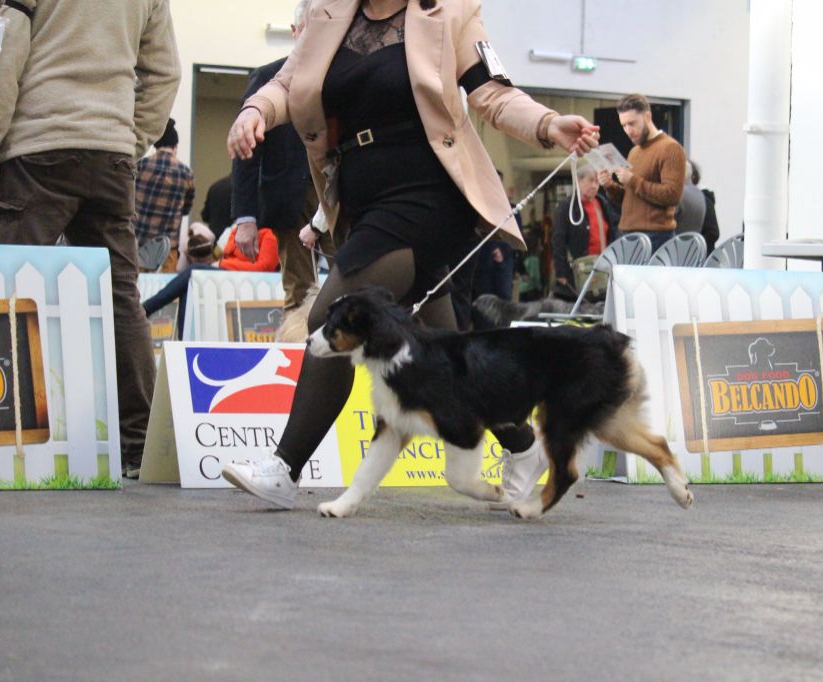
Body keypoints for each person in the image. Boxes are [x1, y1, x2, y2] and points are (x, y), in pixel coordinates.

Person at [222, 0, 599, 510]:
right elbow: (287, 84)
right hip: (360, 200)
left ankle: (284, 468)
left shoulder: (451, 13)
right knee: (443, 353)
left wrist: (548, 124)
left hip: (427, 195)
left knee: (333, 315)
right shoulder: (329, 13)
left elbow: (492, 93)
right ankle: (523, 446)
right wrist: (254, 111)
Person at [0, 0, 180, 479]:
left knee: (7, 293)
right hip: (111, 158)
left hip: (37, 150)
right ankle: (138, 447)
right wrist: (128, 140)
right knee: (121, 298)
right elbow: (166, 73)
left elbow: (2, 57)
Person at [231, 0, 335, 311]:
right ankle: (297, 341)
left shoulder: (339, 75)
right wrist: (245, 218)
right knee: (299, 291)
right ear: (294, 31)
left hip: (335, 195)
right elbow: (246, 153)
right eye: (306, 30)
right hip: (289, 201)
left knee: (351, 283)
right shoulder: (267, 77)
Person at [142, 225, 279, 338]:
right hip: (227, 279)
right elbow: (224, 254)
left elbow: (263, 268)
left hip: (246, 283)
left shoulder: (270, 235)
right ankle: (183, 340)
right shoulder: (236, 230)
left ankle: (147, 307)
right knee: (189, 284)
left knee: (193, 271)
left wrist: (222, 264)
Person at [598, 93, 686, 253]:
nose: (628, 130)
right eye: (624, 125)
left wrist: (632, 180)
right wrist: (610, 186)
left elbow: (672, 195)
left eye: (632, 123)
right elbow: (631, 198)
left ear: (647, 116)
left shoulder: (670, 148)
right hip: (627, 235)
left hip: (655, 236)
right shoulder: (634, 152)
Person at [134, 118, 195, 272]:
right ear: (175, 145)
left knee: (136, 284)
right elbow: (186, 209)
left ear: (156, 144)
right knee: (165, 286)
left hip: (138, 244)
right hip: (167, 248)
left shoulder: (141, 165)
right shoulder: (185, 172)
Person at [552, 165, 621, 296]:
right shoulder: (566, 207)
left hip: (603, 267)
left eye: (597, 182)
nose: (594, 186)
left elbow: (612, 232)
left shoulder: (602, 203)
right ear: (578, 181)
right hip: (579, 269)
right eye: (590, 180)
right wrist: (561, 272)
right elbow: (558, 241)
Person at [470, 170, 518, 303]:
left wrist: (503, 253)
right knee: (483, 302)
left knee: (504, 301)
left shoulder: (510, 209)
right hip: (483, 264)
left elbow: (515, 238)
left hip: (504, 262)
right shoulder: (478, 206)